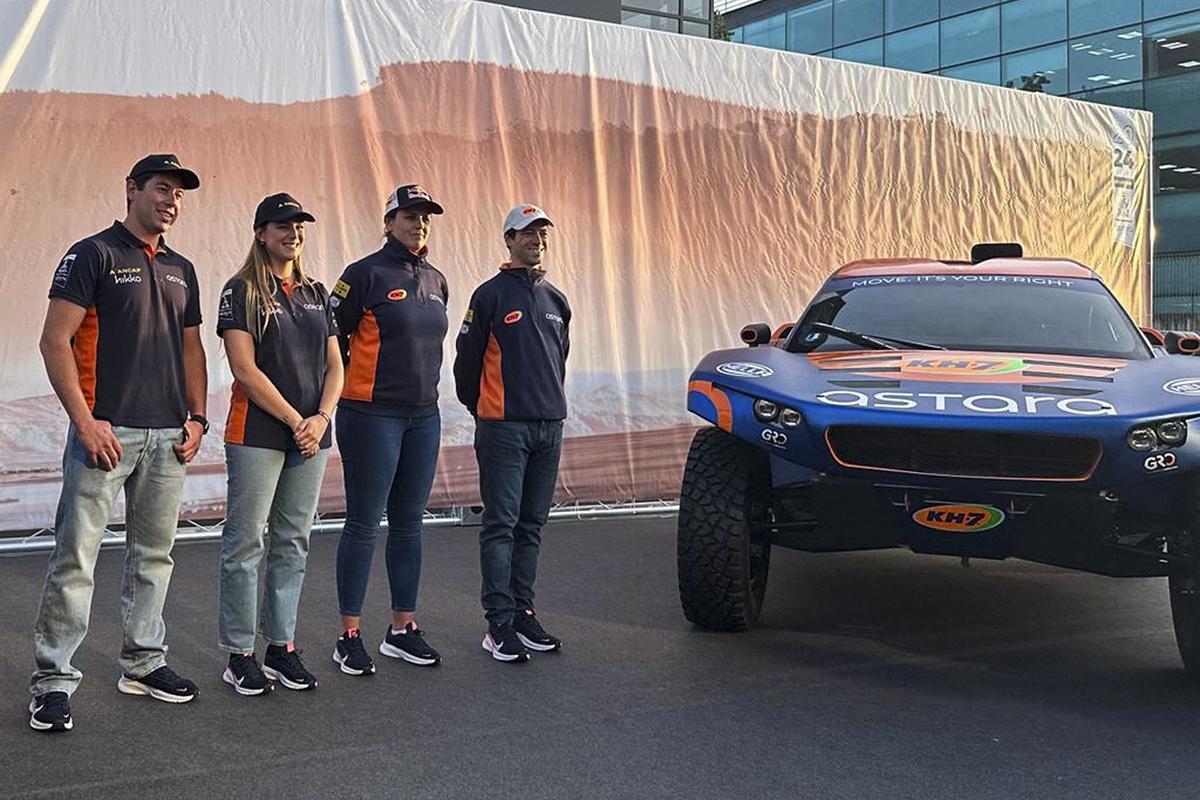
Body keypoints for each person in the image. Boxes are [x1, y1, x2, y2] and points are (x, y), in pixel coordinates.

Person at [30, 154, 208, 732]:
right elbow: (54, 342)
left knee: (154, 557)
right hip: (104, 432)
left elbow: (192, 350)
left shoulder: (182, 267)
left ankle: (142, 662)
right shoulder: (92, 254)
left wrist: (198, 418)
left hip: (167, 436)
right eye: (161, 188)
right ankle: (53, 681)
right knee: (76, 558)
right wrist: (85, 422)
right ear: (131, 189)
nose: (170, 200)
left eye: (178, 193)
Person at [216, 193, 343, 695]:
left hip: (311, 435)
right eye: (283, 225)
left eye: (299, 226)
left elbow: (337, 365)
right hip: (259, 433)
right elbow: (244, 369)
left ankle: (280, 648)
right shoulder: (240, 289)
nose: (293, 233)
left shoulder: (316, 290)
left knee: (293, 541)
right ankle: (239, 654)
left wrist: (321, 417)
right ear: (261, 233)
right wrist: (296, 419)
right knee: (246, 543)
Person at [329, 184, 450, 675]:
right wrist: (327, 399)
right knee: (363, 523)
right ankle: (348, 637)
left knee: (409, 522)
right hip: (370, 414)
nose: (418, 223)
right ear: (388, 222)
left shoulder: (438, 279)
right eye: (409, 215)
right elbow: (329, 337)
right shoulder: (363, 275)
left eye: (425, 216)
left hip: (424, 416)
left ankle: (402, 629)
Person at [453, 204, 571, 663]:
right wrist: (482, 409)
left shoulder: (557, 300)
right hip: (503, 427)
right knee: (500, 525)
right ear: (509, 240)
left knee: (531, 526)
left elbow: (560, 359)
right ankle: (498, 623)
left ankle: (524, 613)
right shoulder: (489, 296)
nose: (536, 239)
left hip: (549, 426)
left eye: (542, 231)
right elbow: (466, 361)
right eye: (527, 232)